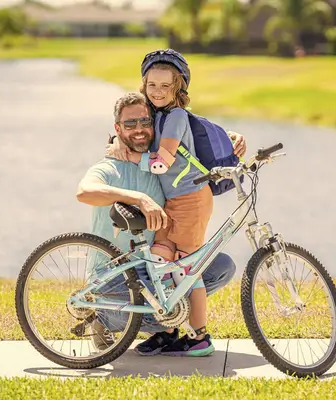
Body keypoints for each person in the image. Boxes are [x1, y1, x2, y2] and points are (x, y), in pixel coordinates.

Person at [77, 91, 245, 356]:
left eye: (145, 122)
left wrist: (229, 137)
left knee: (221, 266)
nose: (139, 130)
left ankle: (168, 325)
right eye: (129, 124)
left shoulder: (159, 165)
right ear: (117, 129)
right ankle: (103, 321)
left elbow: (185, 132)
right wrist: (138, 198)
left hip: (154, 268)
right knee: (125, 312)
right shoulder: (110, 166)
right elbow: (85, 191)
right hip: (114, 277)